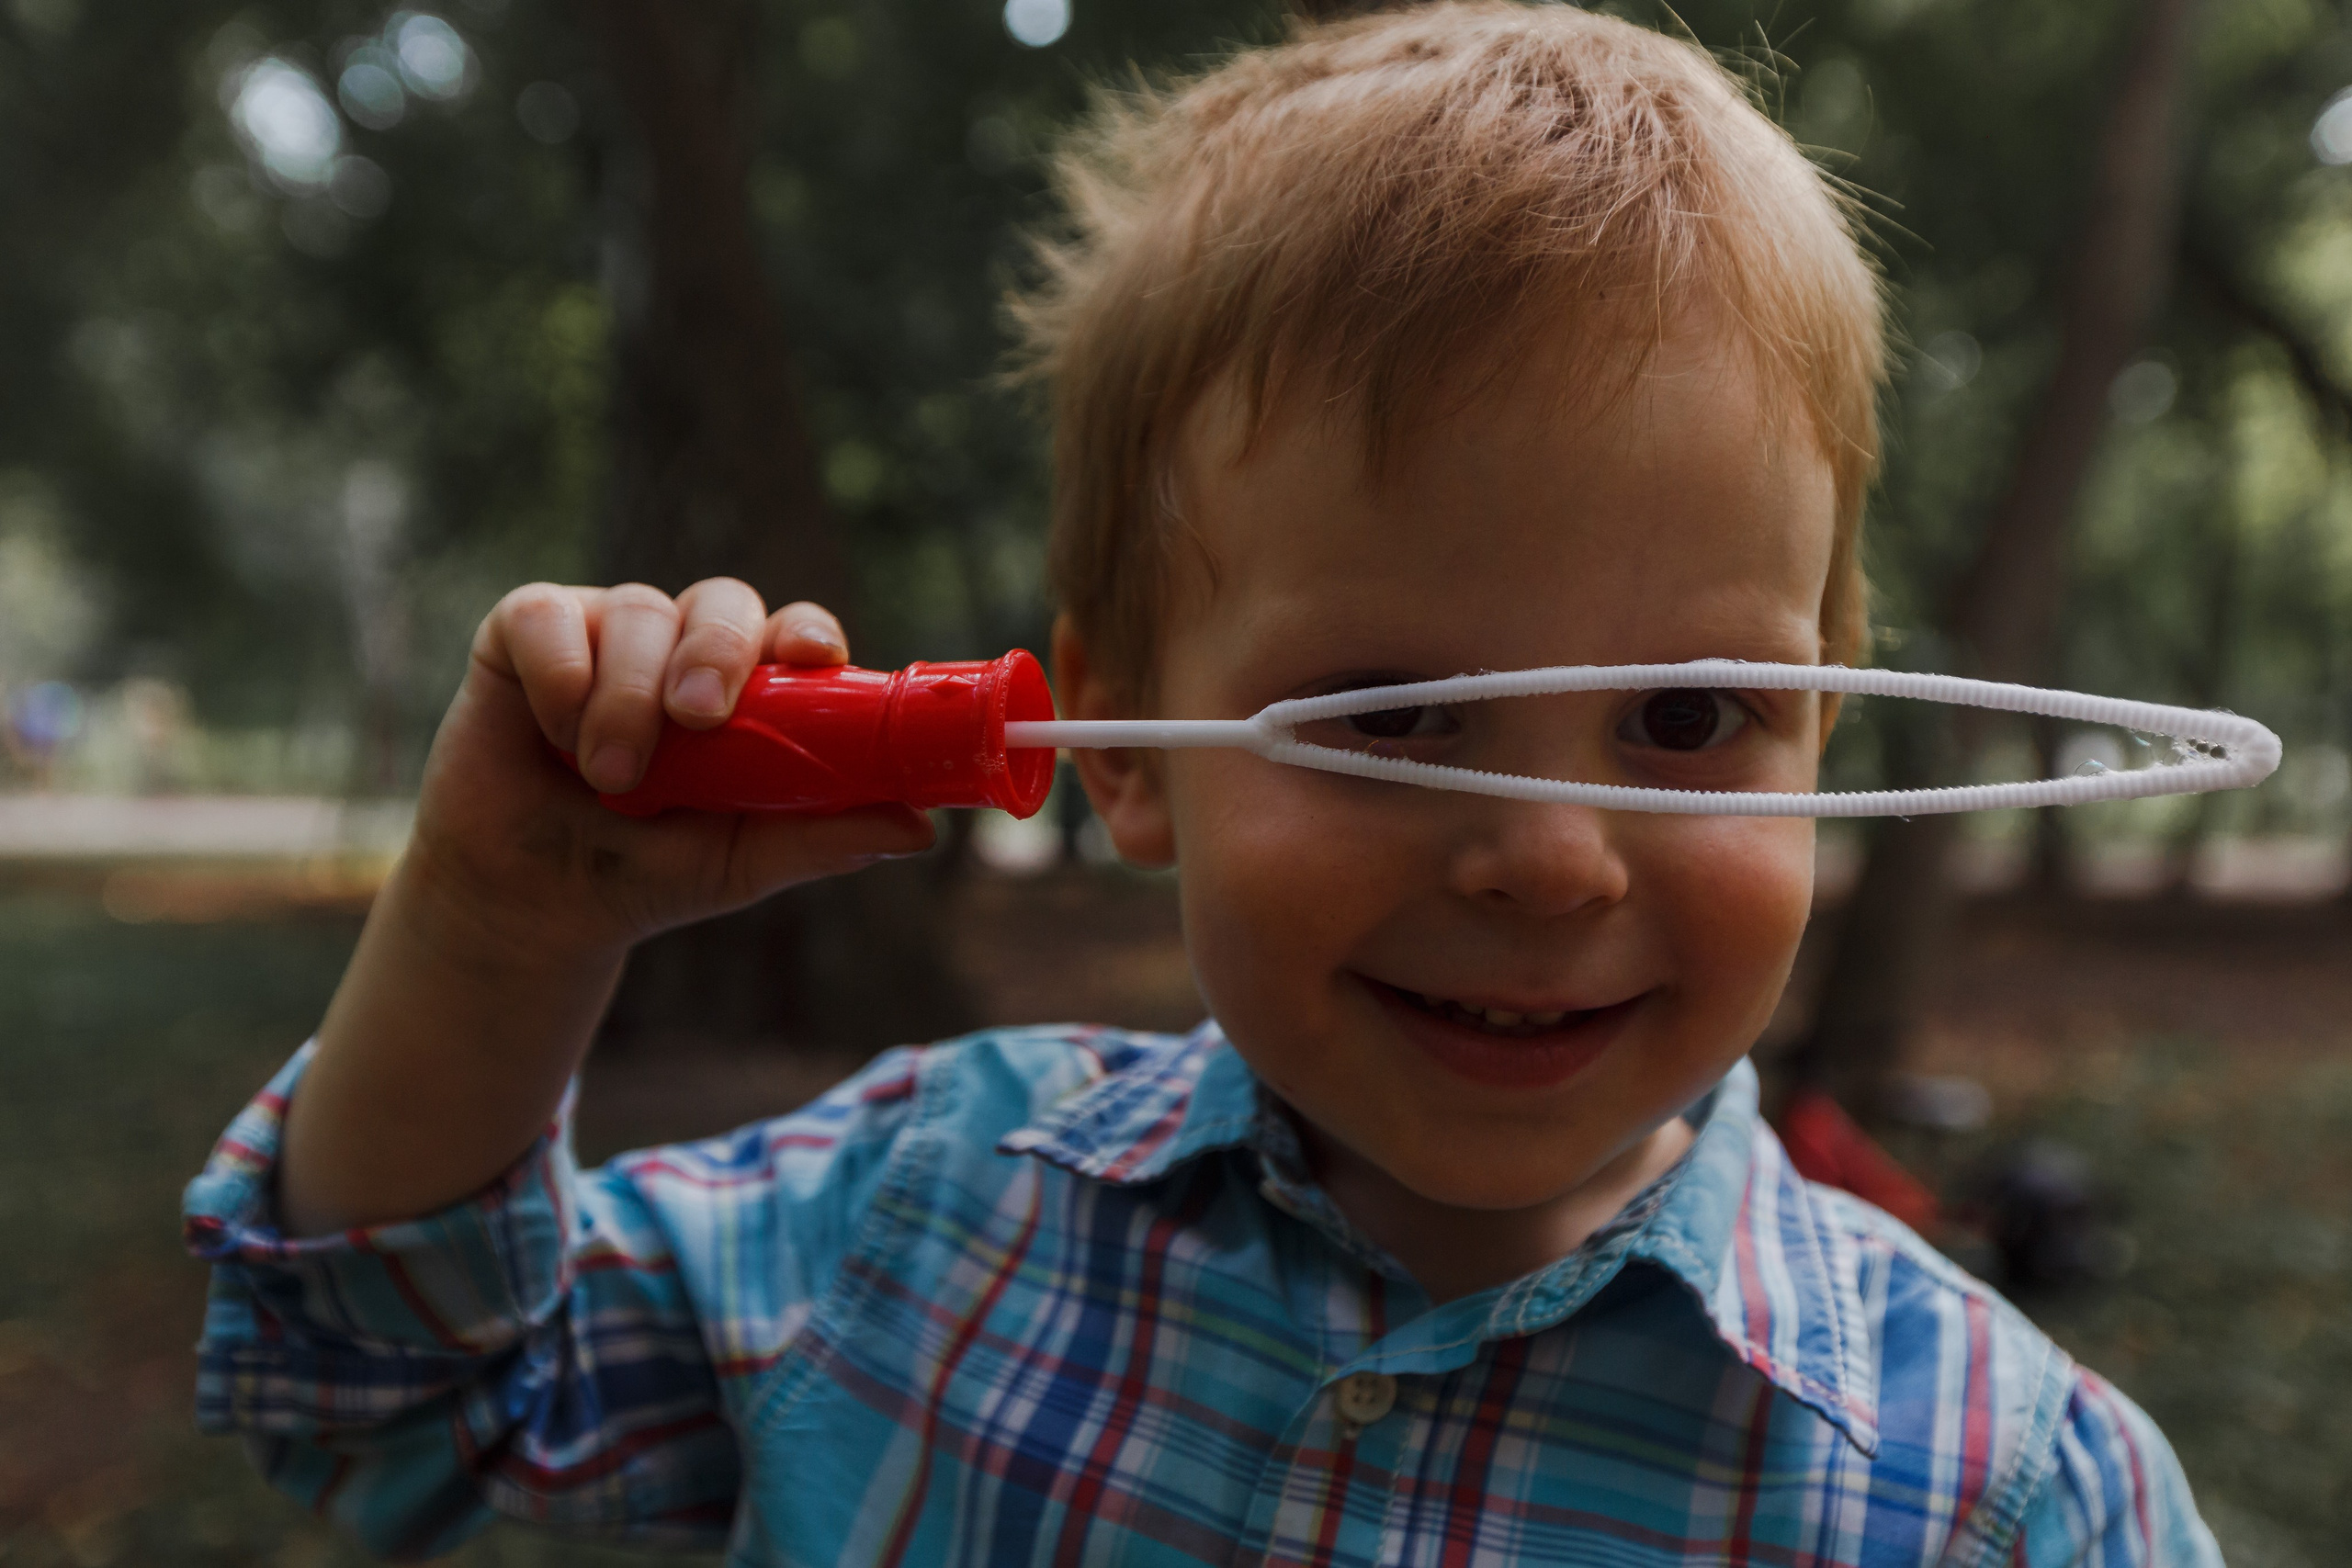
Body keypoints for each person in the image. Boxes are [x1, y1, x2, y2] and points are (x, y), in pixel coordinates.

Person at [184, 5, 2219, 1562]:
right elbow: (380, 1402)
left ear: (1821, 727)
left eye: (1684, 714)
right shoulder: (920, 1208)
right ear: (1123, 749)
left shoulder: (2002, 1490)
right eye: (1390, 712)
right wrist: (493, 927)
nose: (1542, 851)